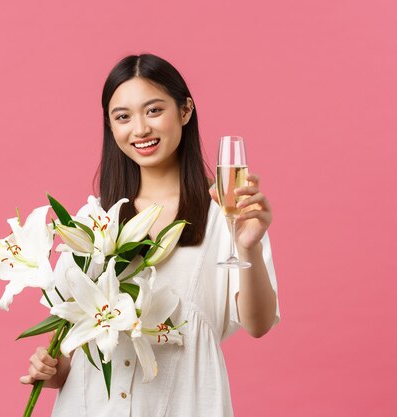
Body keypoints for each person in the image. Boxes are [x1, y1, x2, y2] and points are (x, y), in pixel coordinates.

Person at [19, 54, 280, 416]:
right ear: (111, 127)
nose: (140, 129)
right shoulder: (93, 220)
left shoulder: (227, 211)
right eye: (123, 117)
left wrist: (246, 245)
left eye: (154, 110)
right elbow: (79, 340)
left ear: (185, 111)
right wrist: (54, 371)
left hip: (184, 404)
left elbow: (259, 323)